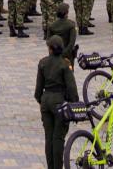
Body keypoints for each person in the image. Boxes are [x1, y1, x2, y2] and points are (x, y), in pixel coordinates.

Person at [35, 35, 78, 169]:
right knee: (58, 138)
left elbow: (38, 90)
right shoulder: (65, 64)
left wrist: (42, 100)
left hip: (46, 101)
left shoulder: (42, 62)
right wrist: (75, 105)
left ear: (50, 49)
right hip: (60, 102)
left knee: (49, 138)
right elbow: (71, 87)